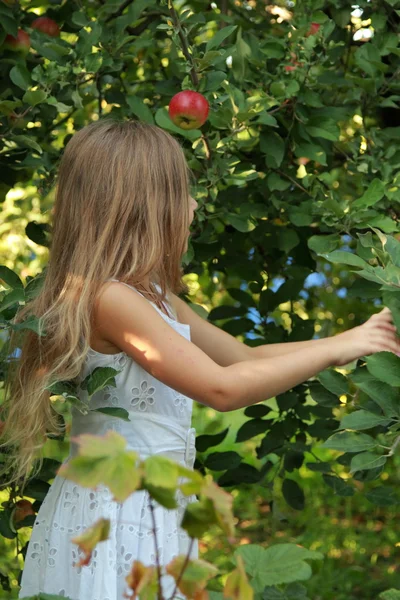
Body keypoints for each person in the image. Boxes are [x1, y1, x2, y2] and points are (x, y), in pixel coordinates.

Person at [0, 118, 399, 600]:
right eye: (180, 193)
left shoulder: (154, 298)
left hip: (152, 504)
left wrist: (360, 336)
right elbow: (222, 389)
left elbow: (242, 359)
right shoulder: (109, 299)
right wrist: (343, 347)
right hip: (119, 510)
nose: (193, 205)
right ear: (145, 207)